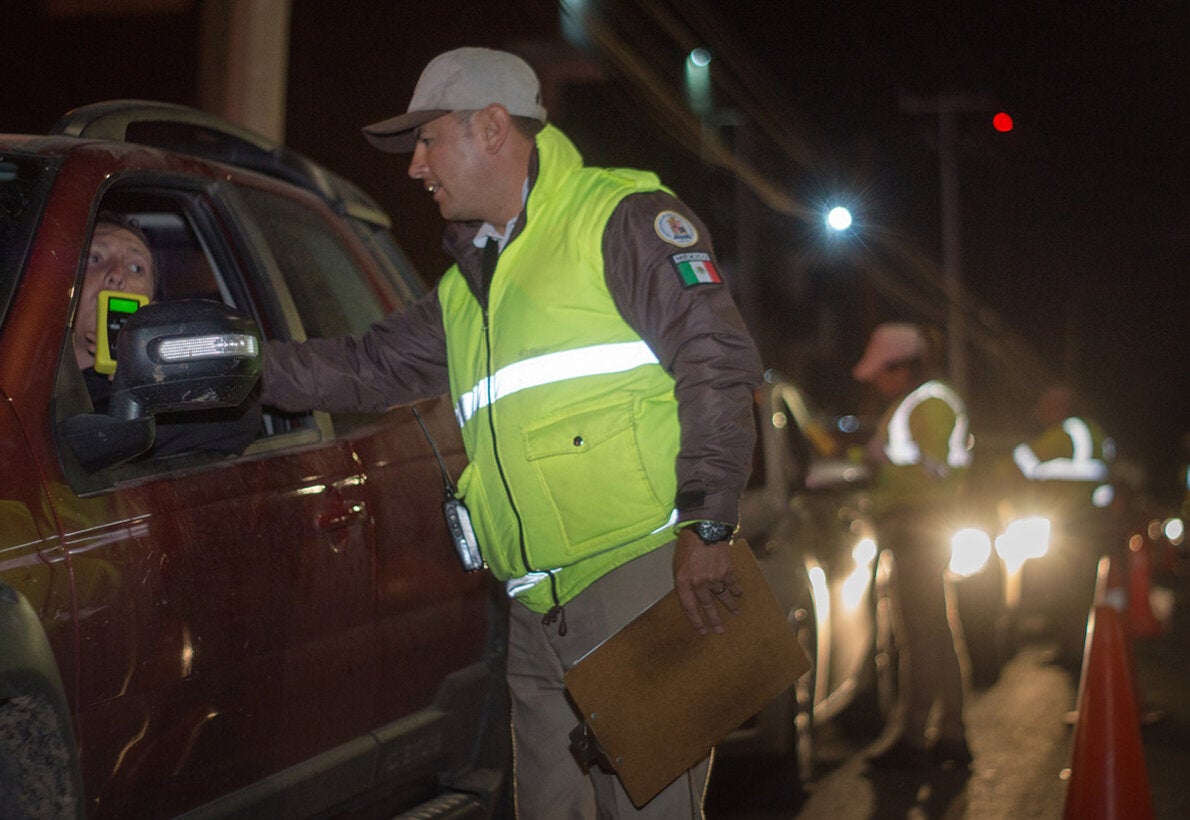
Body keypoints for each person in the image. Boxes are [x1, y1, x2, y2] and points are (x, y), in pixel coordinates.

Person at [260, 48, 762, 817]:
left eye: (428, 140)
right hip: (535, 612)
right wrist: (237, 365)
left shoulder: (619, 219)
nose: (415, 166)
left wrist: (710, 523)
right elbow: (365, 367)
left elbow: (717, 363)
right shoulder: (470, 285)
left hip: (641, 584)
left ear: (492, 127)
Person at [852, 322, 974, 769]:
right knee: (933, 631)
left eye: (881, 374)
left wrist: (884, 462)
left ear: (901, 367)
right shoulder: (915, 403)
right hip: (917, 529)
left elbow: (935, 470)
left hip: (920, 530)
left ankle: (917, 736)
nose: (877, 384)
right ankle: (947, 733)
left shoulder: (931, 403)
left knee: (923, 635)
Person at [73, 212, 259, 459]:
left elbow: (236, 416)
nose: (117, 274)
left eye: (136, 268)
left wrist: (142, 382)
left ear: (152, 308)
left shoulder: (170, 401)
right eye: (94, 258)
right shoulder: (30, 381)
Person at [1010, 383, 1115, 668]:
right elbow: (1106, 475)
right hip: (1092, 520)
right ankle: (1084, 647)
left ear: (1060, 408)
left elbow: (1024, 462)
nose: (1041, 415)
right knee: (1083, 588)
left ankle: (1071, 651)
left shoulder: (1062, 434)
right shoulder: (1094, 432)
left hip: (1069, 522)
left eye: (1045, 409)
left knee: (1066, 588)